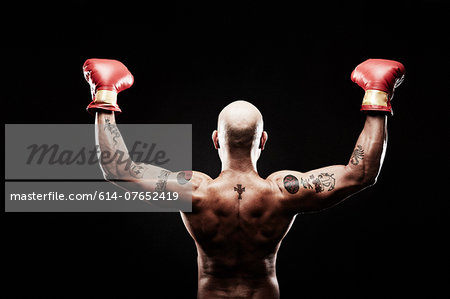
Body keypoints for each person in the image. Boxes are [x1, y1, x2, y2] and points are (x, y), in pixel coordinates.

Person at [83, 58, 405, 298]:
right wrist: (376, 96)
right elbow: (360, 173)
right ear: (263, 140)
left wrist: (105, 96)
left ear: (215, 140)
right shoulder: (282, 192)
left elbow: (118, 170)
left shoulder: (196, 191)